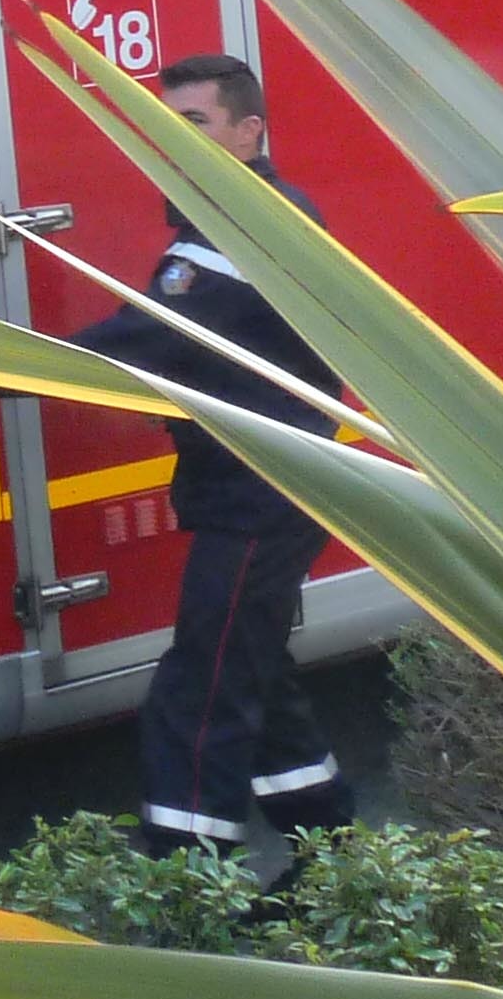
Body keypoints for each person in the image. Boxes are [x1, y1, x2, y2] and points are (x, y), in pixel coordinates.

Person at [68, 53, 357, 860]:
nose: (174, 136)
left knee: (201, 693)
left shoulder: (244, 228)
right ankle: (337, 856)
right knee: (254, 675)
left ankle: (189, 886)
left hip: (261, 495)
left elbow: (149, 342)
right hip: (259, 490)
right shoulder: (233, 218)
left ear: (248, 131)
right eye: (166, 123)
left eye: (192, 121)